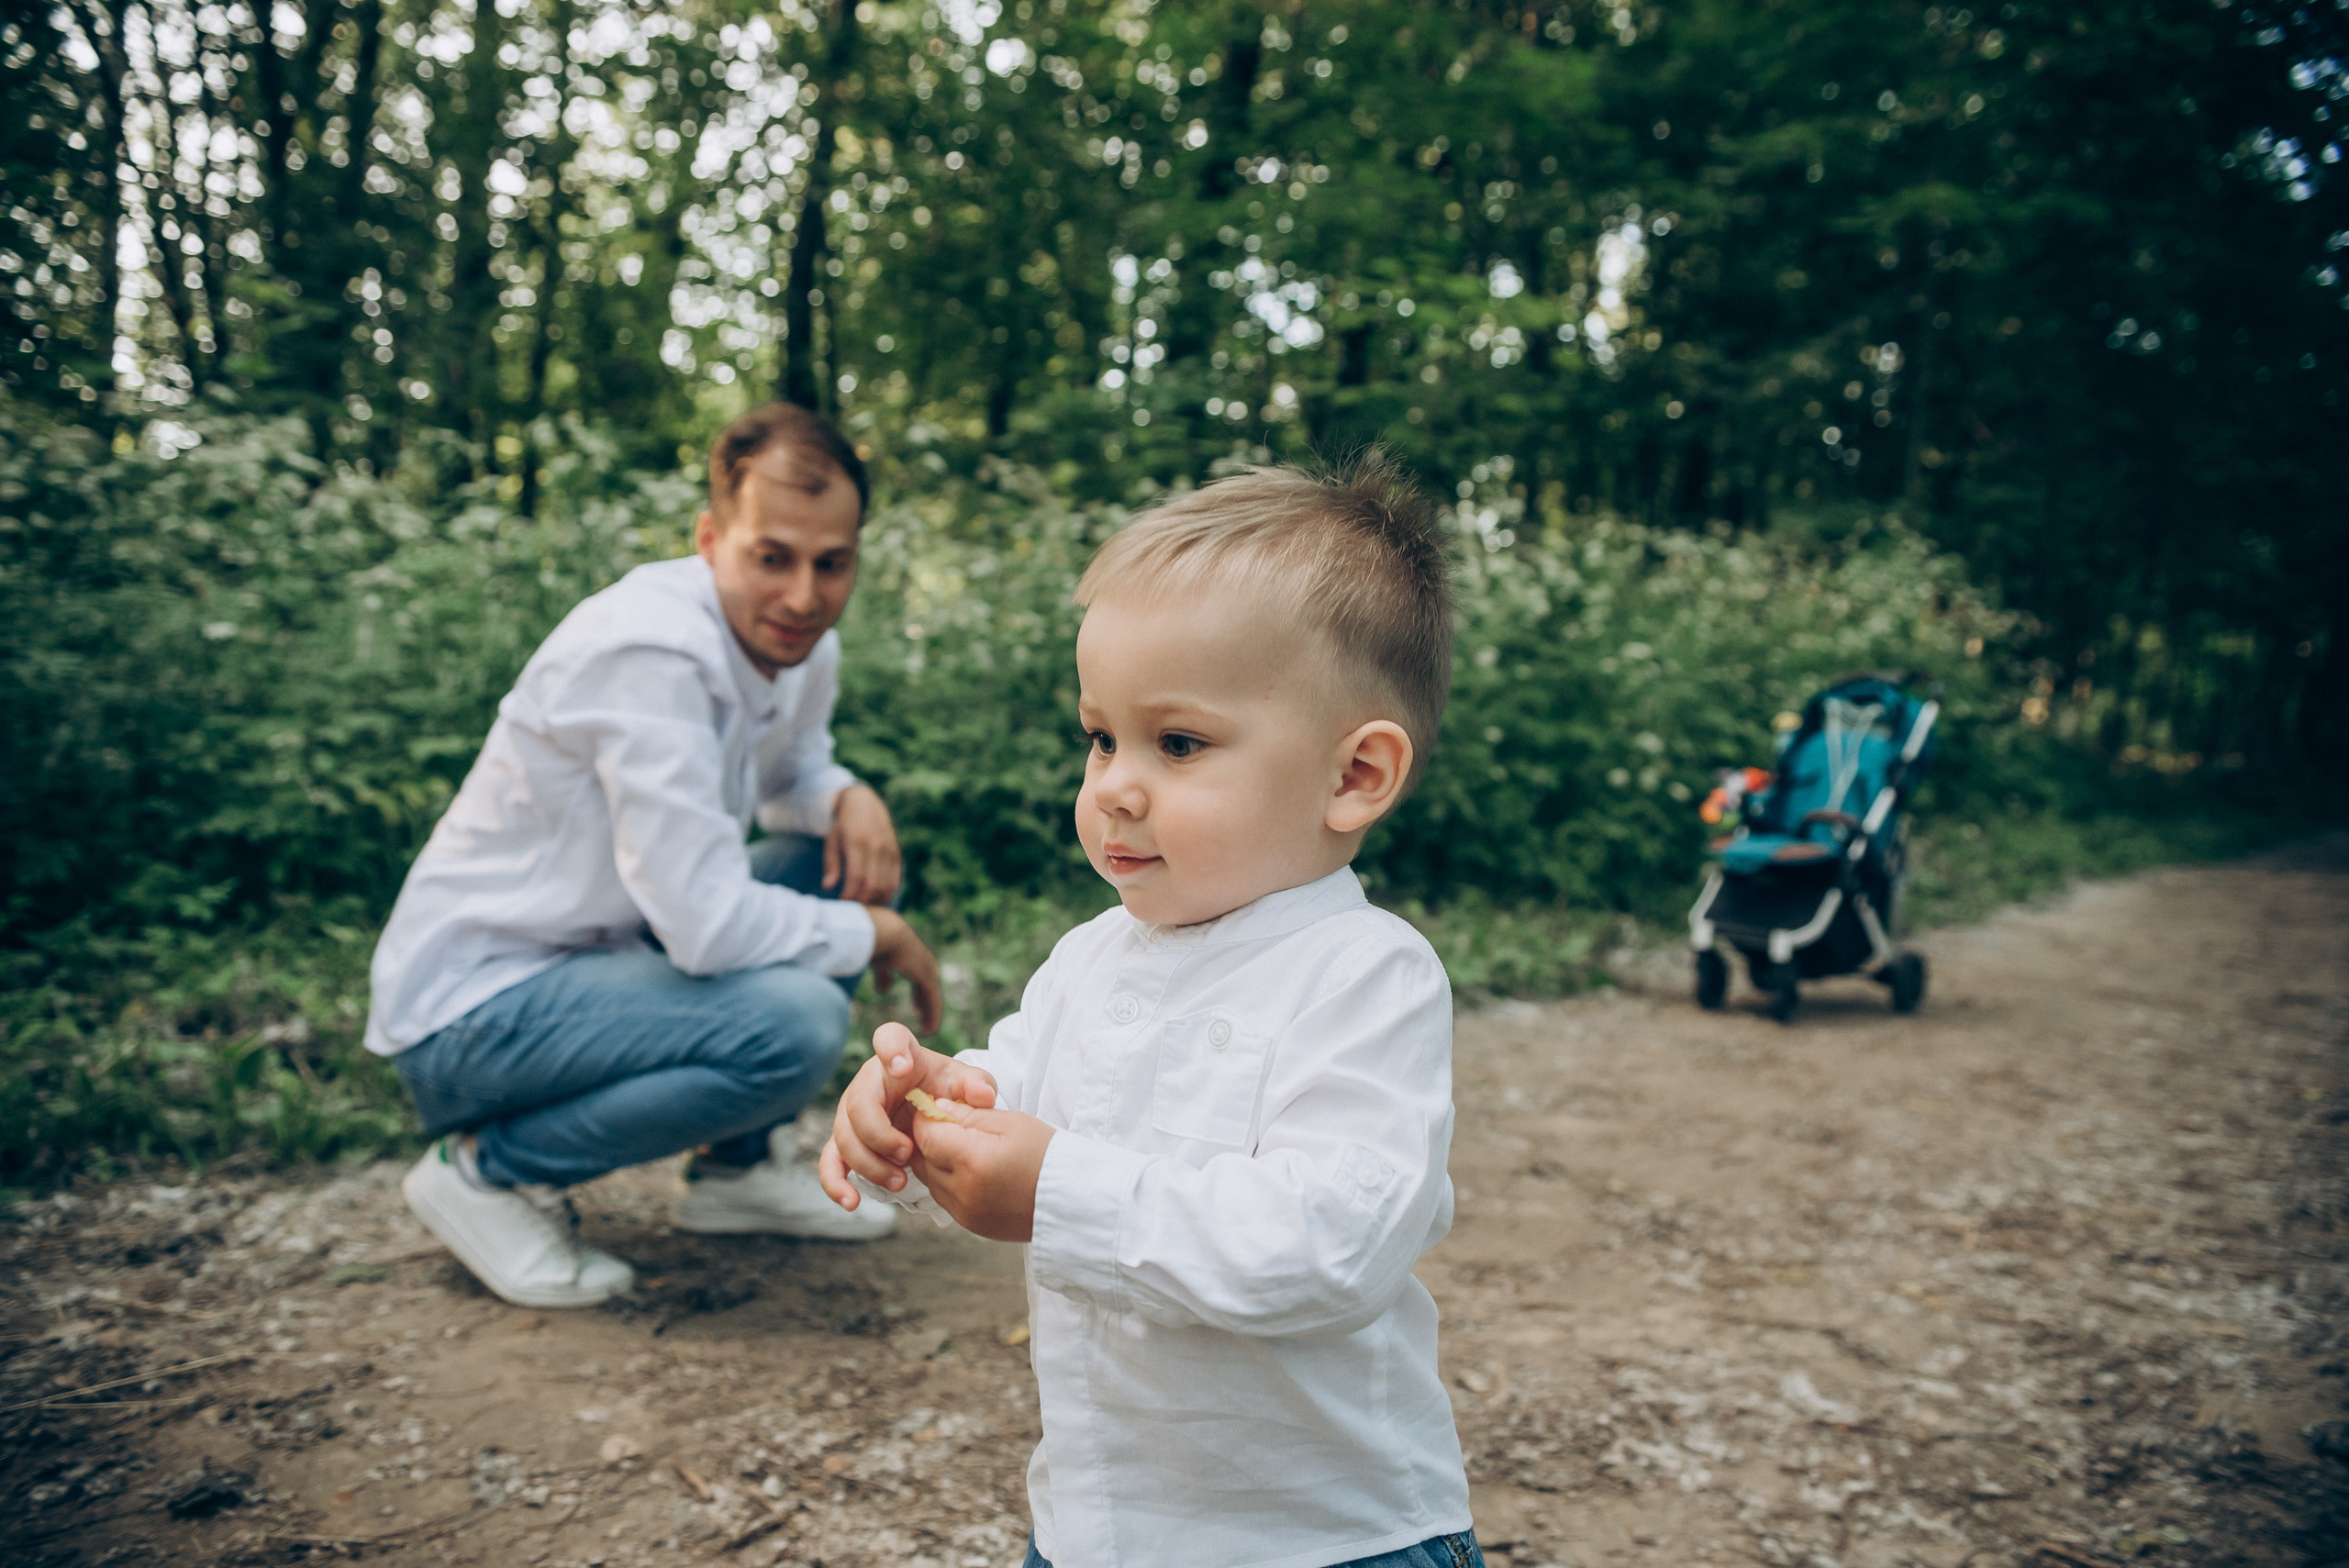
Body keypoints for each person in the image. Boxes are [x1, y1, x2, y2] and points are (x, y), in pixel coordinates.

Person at [821, 453, 1484, 1568]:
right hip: (1100, 1525)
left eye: (1177, 742)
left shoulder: (1365, 974)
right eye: (1100, 736)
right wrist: (923, 1103)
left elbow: (1333, 1243)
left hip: (1323, 1537)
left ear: (1354, 776)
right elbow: (1014, 1097)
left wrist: (1058, 1191)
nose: (1115, 785)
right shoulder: (1092, 957)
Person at [366, 402, 944, 1310]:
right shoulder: (647, 649)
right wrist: (872, 928)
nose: (803, 594)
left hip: (606, 954)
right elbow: (707, 926)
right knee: (794, 1021)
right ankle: (484, 1170)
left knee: (836, 857)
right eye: (773, 556)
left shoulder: (798, 644)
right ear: (712, 538)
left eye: (832, 562)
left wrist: (842, 793)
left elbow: (783, 774)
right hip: (473, 1009)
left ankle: (734, 1169)